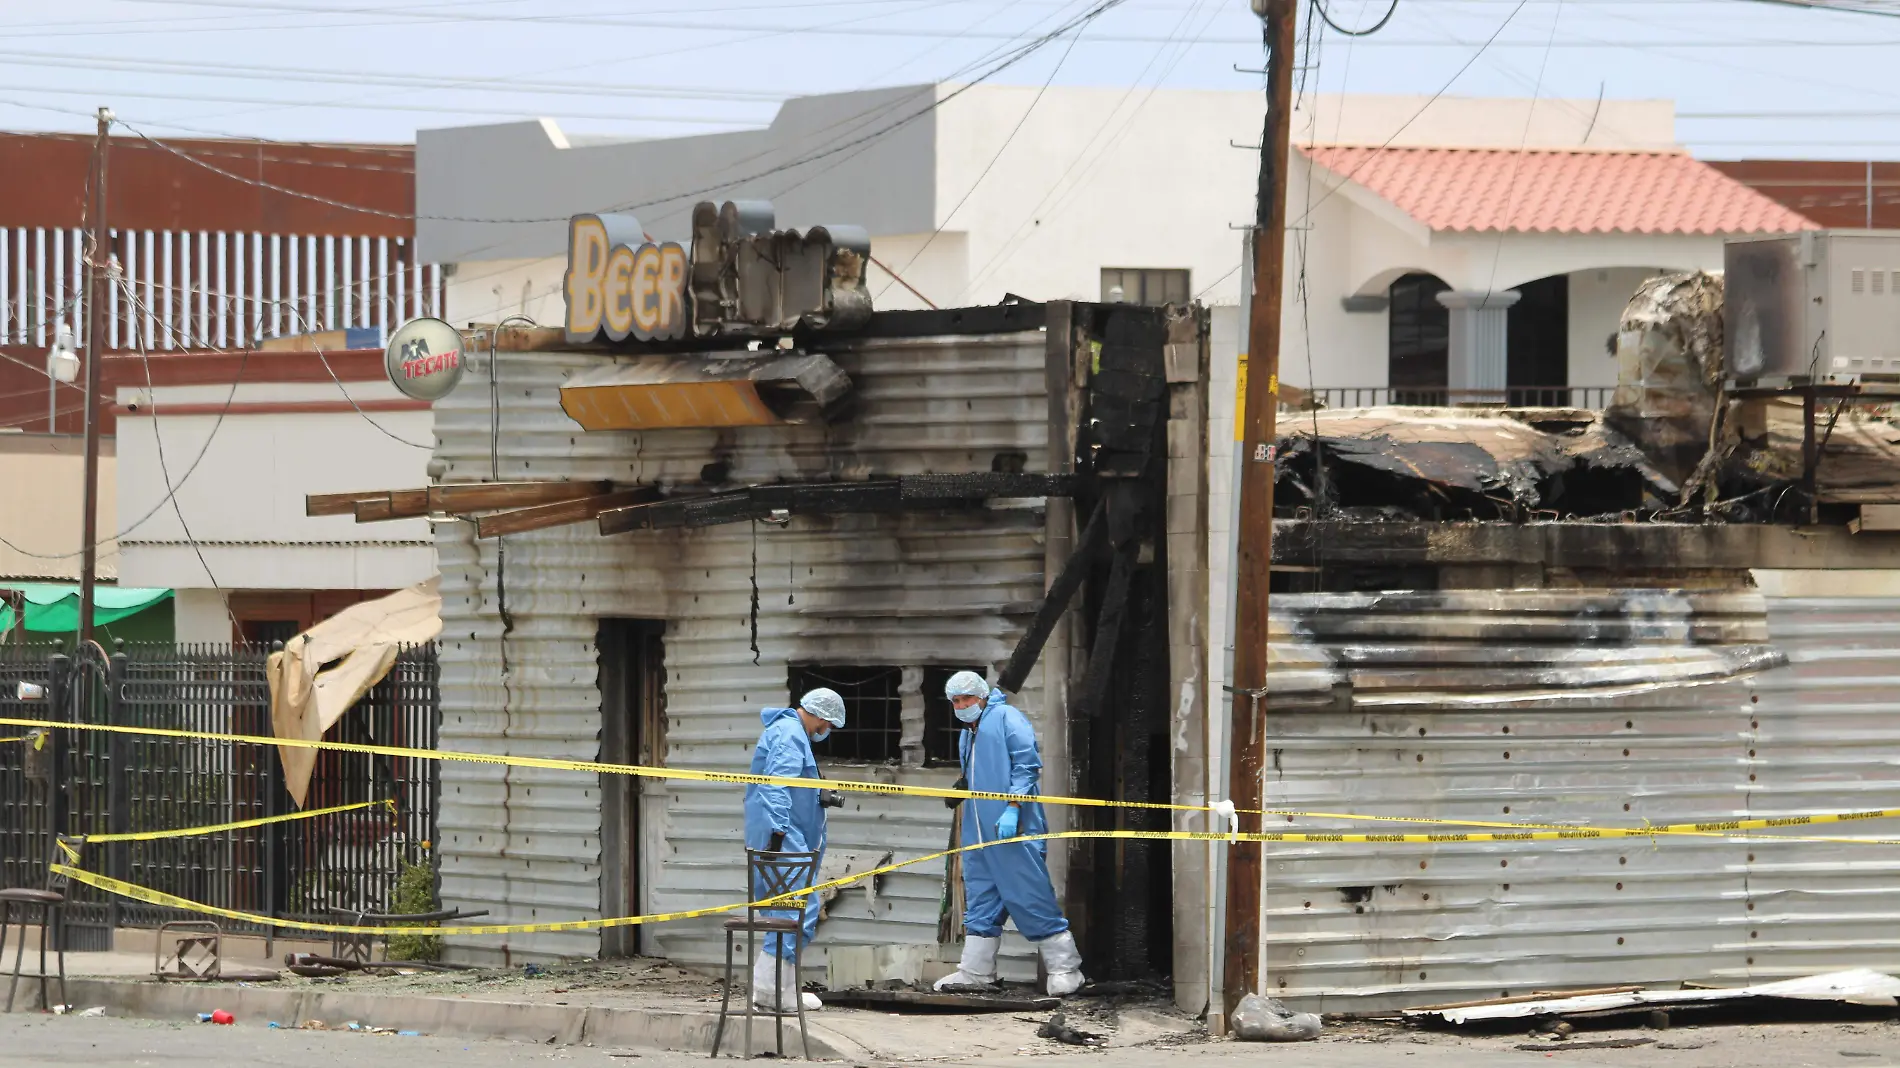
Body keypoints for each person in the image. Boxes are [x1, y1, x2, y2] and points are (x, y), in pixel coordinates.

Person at [934, 671, 1085, 996]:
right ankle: (976, 971)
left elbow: (1026, 766)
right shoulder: (968, 733)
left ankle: (1066, 968)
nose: (961, 706)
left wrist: (1014, 807)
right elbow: (978, 774)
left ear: (982, 696)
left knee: (1028, 893)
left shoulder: (1006, 718)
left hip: (1012, 828)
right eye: (956, 701)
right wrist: (962, 788)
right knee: (982, 900)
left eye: (966, 699)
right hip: (979, 833)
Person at [743, 687, 846, 1013]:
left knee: (785, 911)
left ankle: (776, 988)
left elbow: (789, 784)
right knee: (795, 910)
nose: (826, 730)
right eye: (827, 723)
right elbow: (777, 786)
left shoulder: (789, 732)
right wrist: (777, 833)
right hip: (783, 836)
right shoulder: (790, 735)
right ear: (817, 714)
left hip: (785, 833)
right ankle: (773, 991)